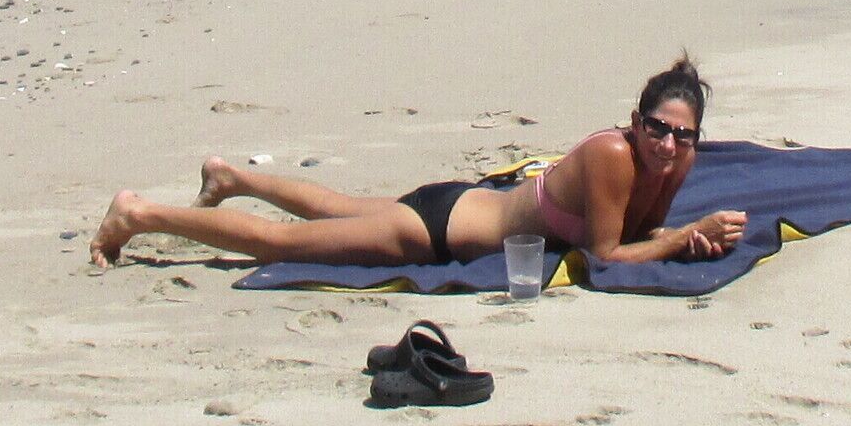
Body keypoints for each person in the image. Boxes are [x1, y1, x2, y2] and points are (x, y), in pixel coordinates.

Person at [93, 57, 748, 271]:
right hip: (436, 232)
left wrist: (679, 235)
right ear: (635, 122)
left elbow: (638, 233)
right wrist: (682, 239)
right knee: (281, 245)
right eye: (657, 128)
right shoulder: (612, 155)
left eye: (681, 134)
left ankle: (232, 178)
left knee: (337, 208)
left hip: (461, 203)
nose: (667, 144)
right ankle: (139, 214)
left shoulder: (677, 162)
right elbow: (606, 254)